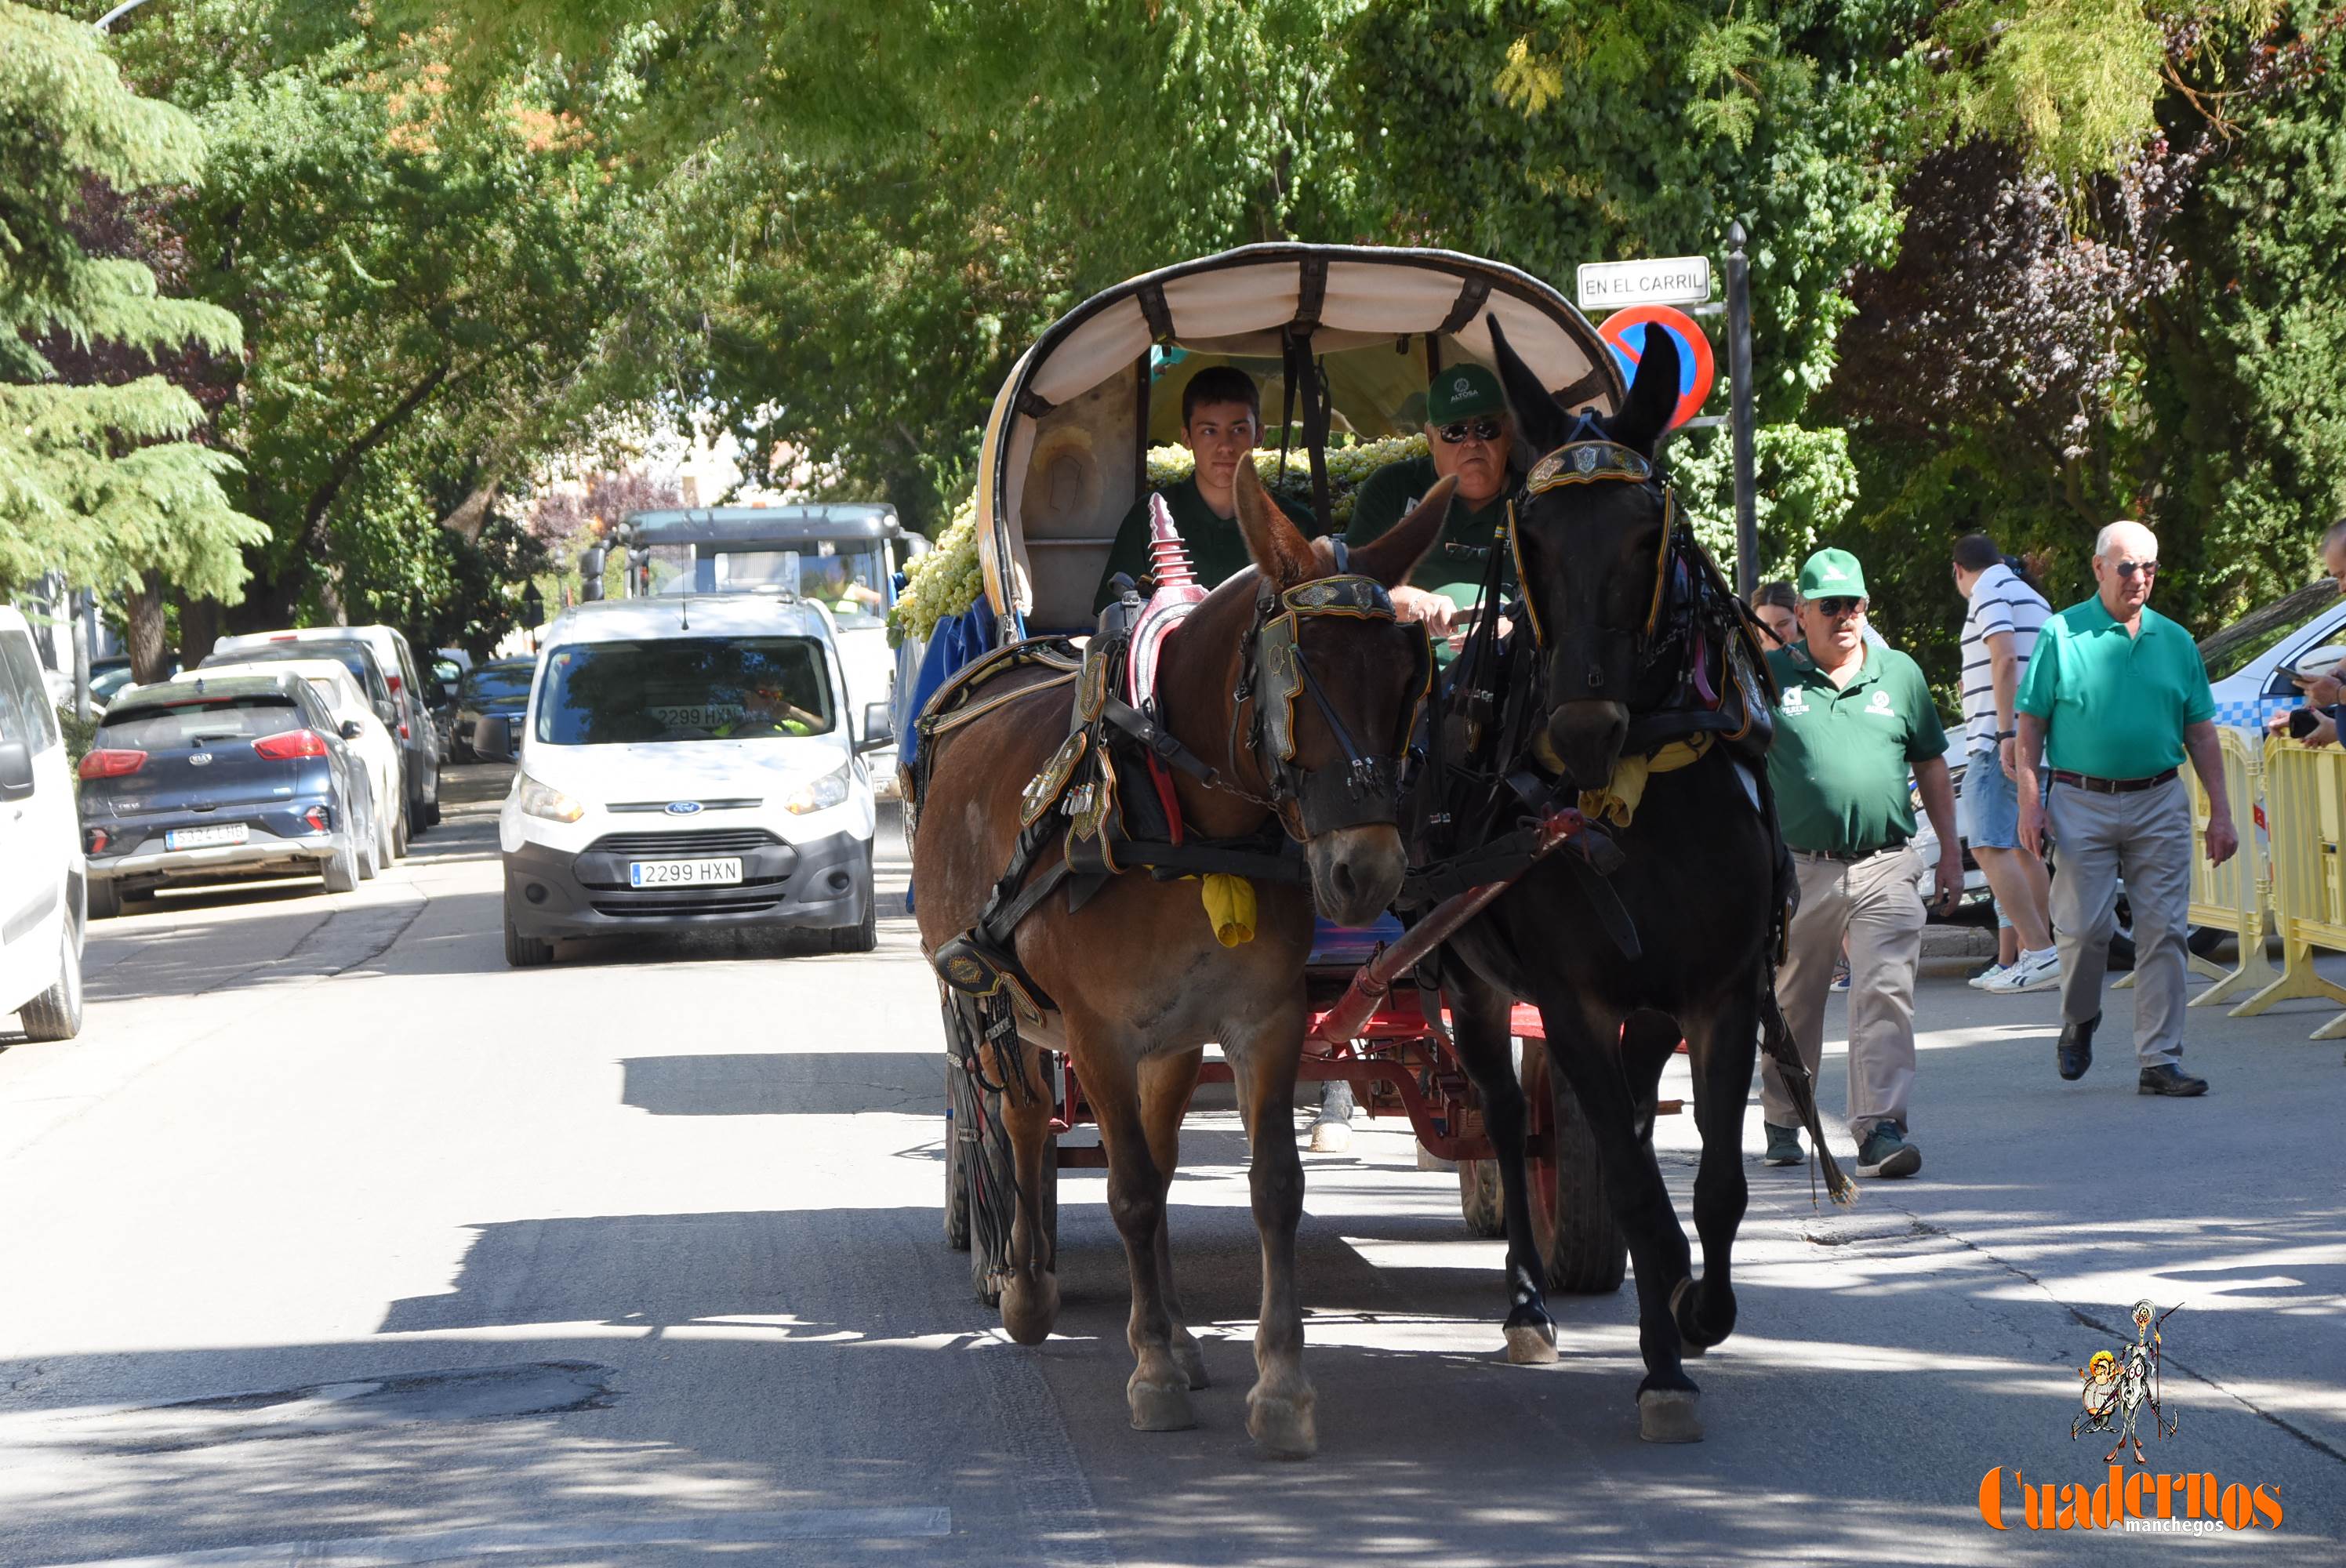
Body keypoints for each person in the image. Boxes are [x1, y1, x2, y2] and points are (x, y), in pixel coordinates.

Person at [1760, 548, 1963, 1179]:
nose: (1845, 616)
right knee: (1796, 998)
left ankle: (1880, 1126)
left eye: (1855, 604)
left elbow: (1931, 761)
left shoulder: (1899, 673)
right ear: (1802, 614)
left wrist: (1951, 854)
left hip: (1887, 861)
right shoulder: (1770, 676)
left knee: (1885, 993)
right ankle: (1785, 1116)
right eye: (1831, 606)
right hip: (1802, 866)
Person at [2017, 521, 2236, 1097]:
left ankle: (2159, 1059)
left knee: (2164, 931)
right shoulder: (2061, 634)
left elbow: (2202, 732)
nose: (2138, 579)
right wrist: (2029, 802)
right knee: (2085, 929)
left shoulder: (2176, 641)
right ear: (2098, 569)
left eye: (2149, 568)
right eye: (2126, 567)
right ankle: (2081, 1017)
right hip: (2080, 801)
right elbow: (2031, 724)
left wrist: (2222, 812)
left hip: (2159, 799)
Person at [1091, 366, 1317, 612]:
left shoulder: (1297, 525)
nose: (1225, 447)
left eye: (1238, 430)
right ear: (1187, 438)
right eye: (1209, 431)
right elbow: (1114, 619)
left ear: (1259, 435)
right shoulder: (1148, 520)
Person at [1344, 361, 1519, 649]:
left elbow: (1570, 594)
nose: (1472, 442)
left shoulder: (1535, 499)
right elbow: (1353, 583)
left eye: (1486, 428)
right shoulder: (1393, 490)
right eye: (1455, 431)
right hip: (1406, 674)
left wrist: (1517, 622)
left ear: (1508, 431)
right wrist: (1414, 602)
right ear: (1430, 438)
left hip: (1516, 675)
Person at [1951, 534, 2058, 993]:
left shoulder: (1988, 590)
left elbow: (2003, 655)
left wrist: (2004, 732)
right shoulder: (2032, 595)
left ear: (1957, 570)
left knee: (1985, 845)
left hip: (1999, 741)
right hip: (2035, 735)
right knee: (2023, 847)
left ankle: (2038, 951)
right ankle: (2047, 955)